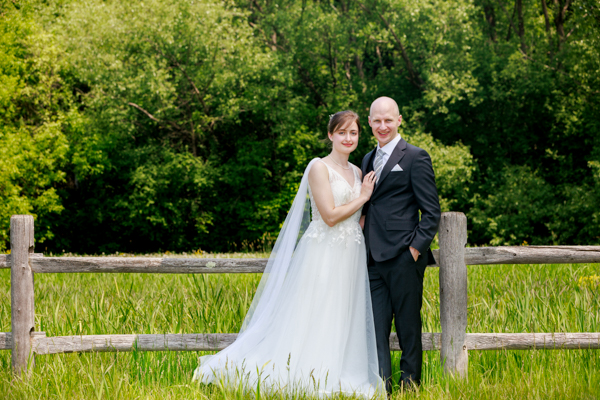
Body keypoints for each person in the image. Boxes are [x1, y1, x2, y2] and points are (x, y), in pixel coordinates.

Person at [193, 110, 385, 398]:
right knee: (316, 311)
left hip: (350, 255)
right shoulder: (318, 168)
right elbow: (330, 216)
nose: (348, 138)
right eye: (342, 132)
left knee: (343, 312)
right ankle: (308, 371)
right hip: (322, 253)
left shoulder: (358, 172)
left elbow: (357, 219)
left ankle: (337, 367)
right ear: (331, 134)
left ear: (359, 136)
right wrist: (364, 197)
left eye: (353, 133)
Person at [360, 97, 441, 392]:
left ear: (399, 120)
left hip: (404, 256)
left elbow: (431, 211)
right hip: (372, 260)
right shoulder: (367, 159)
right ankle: (382, 388)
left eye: (388, 120)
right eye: (377, 121)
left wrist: (415, 249)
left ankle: (411, 387)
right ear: (369, 122)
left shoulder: (415, 157)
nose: (383, 126)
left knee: (408, 327)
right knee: (376, 330)